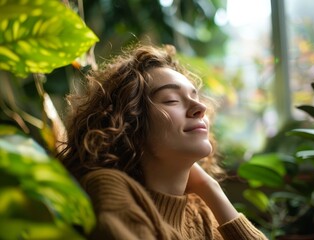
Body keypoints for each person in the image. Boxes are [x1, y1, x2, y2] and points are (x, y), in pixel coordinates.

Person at [59, 44, 267, 240]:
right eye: (171, 100)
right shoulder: (108, 186)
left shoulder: (200, 213)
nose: (200, 108)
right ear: (130, 123)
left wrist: (210, 189)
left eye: (196, 97)